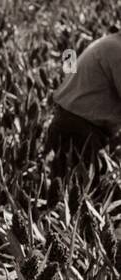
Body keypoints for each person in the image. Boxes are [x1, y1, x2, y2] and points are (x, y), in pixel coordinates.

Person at [44, 31, 121, 177]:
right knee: (89, 192)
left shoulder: (110, 43)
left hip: (78, 127)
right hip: (78, 131)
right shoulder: (116, 49)